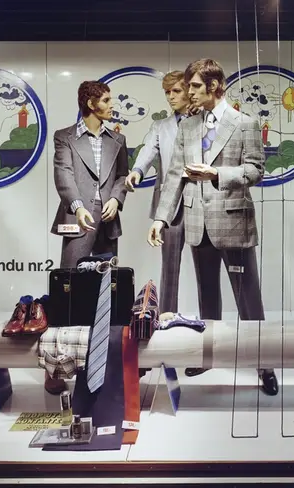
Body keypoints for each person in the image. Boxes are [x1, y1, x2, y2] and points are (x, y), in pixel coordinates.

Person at [147, 58, 278, 396]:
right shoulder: (188, 126)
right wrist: (161, 218)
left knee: (248, 299)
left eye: (194, 86)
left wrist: (217, 173)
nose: (189, 92)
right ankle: (209, 356)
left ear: (215, 86)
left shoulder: (245, 124)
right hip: (197, 223)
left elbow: (255, 170)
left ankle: (264, 363)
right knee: (208, 296)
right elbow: (174, 176)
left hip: (233, 222)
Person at [46, 80, 129, 394]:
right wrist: (78, 206)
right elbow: (63, 174)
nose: (111, 105)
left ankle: (103, 366)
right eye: (106, 100)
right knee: (68, 292)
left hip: (108, 220)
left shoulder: (118, 139)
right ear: (91, 104)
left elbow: (121, 175)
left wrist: (116, 199)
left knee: (107, 293)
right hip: (77, 218)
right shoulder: (64, 136)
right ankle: (57, 367)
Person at [125, 70, 194, 313]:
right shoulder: (160, 126)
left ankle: (210, 319)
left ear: (189, 91)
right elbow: (148, 150)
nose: (171, 96)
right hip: (170, 204)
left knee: (207, 266)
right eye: (167, 92)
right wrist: (137, 170)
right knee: (170, 265)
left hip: (202, 201)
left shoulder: (206, 122)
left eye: (176, 91)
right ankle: (166, 314)